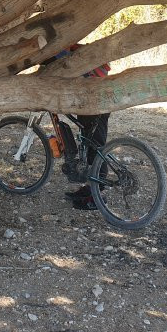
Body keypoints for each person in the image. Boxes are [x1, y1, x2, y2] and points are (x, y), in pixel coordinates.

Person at [47, 45, 111, 211]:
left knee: (96, 148)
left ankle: (97, 197)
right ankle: (90, 189)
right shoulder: (71, 50)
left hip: (96, 101)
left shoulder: (65, 53)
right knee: (89, 145)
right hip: (90, 101)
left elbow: (62, 69)